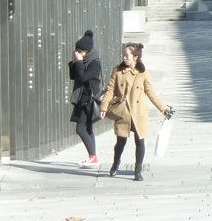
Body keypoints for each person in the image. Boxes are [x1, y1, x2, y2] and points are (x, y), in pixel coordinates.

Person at [100, 43, 172, 182]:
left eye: (127, 55)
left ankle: (137, 171)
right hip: (123, 112)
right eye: (124, 55)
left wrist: (163, 108)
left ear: (136, 58)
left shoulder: (143, 73)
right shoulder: (118, 70)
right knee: (120, 142)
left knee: (140, 141)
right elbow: (110, 90)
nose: (124, 57)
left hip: (139, 112)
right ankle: (116, 163)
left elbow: (151, 93)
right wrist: (104, 107)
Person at [68, 30, 102, 169]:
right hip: (81, 100)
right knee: (88, 128)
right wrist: (74, 62)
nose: (77, 53)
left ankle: (93, 157)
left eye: (80, 51)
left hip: (88, 101)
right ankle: (93, 157)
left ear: (87, 52)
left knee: (80, 128)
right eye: (76, 51)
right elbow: (73, 76)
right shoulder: (82, 62)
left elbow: (83, 78)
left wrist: (80, 63)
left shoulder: (94, 63)